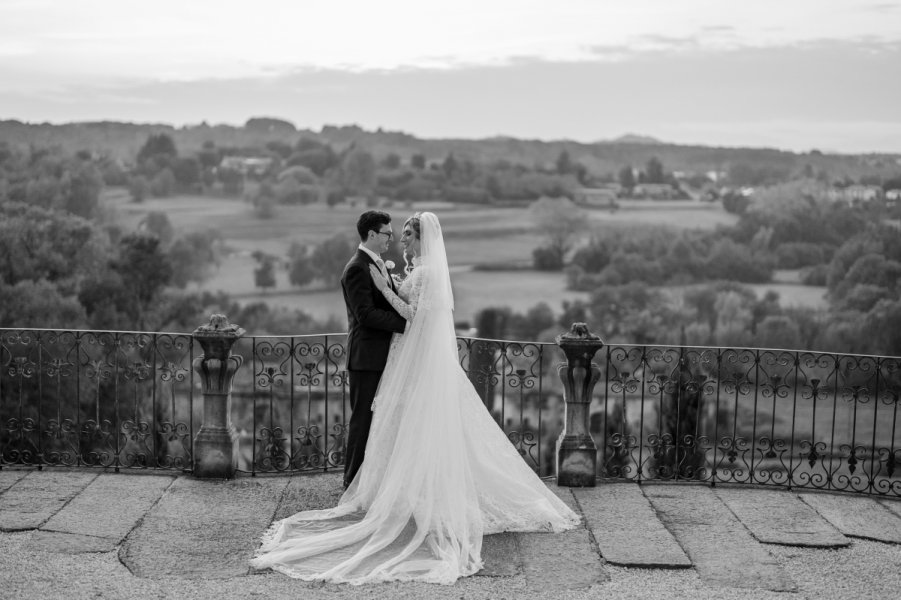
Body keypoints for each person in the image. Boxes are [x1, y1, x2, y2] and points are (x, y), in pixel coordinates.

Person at [250, 212, 579, 585]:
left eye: (404, 234)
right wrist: (395, 301)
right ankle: (369, 487)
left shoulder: (418, 273)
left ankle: (391, 491)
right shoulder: (365, 267)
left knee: (398, 422)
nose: (398, 240)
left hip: (406, 361)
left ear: (421, 239)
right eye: (392, 233)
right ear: (373, 234)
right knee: (378, 421)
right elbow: (373, 314)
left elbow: (410, 313)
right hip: (380, 359)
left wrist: (387, 289)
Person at [338, 210, 407, 489]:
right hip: (366, 357)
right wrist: (406, 322)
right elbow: (365, 314)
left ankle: (370, 481)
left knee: (378, 421)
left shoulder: (377, 264)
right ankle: (351, 480)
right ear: (372, 235)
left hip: (381, 356)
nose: (392, 238)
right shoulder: (357, 267)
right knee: (362, 421)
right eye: (387, 233)